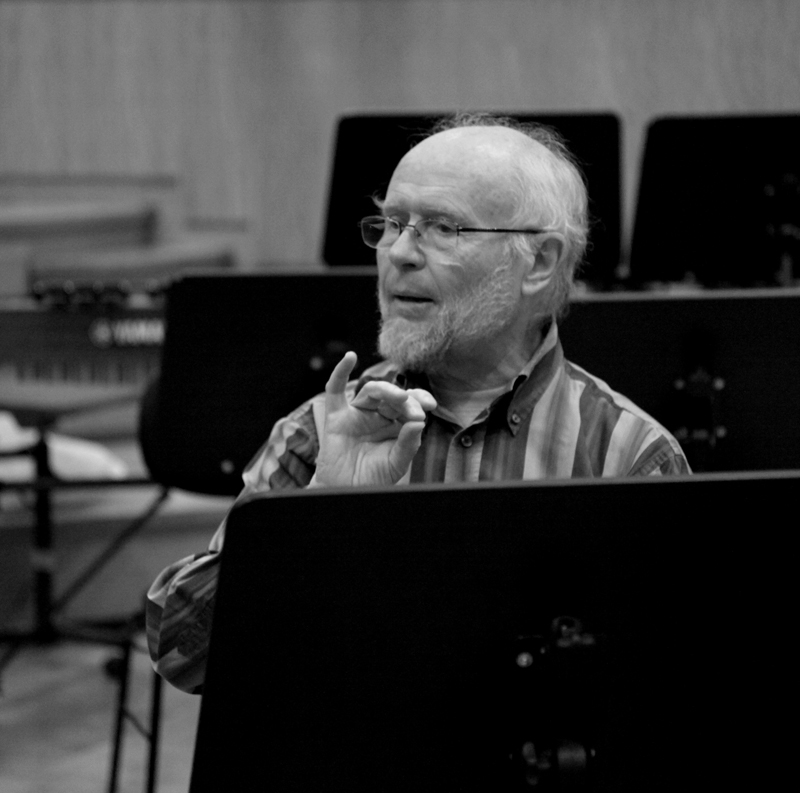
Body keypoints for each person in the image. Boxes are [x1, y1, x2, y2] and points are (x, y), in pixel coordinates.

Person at [146, 113, 689, 693]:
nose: (399, 253)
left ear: (540, 262)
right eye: (391, 224)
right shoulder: (321, 430)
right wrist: (317, 514)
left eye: (443, 228)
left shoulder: (629, 454)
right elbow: (182, 656)